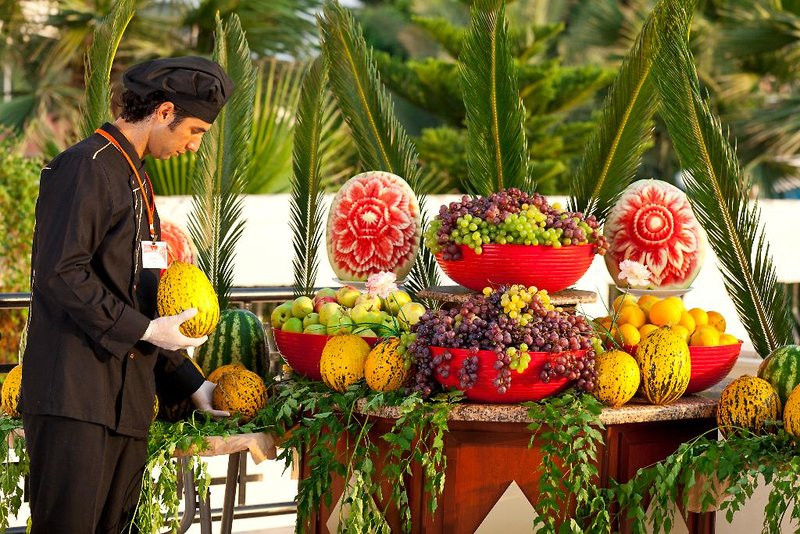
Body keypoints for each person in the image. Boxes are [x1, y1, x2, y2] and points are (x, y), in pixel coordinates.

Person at [21, 56, 234, 533]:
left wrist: (191, 382)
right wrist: (145, 330)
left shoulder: (136, 178)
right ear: (164, 112)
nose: (194, 146)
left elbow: (141, 299)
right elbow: (60, 273)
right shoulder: (85, 166)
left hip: (126, 407)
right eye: (195, 131)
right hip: (75, 401)